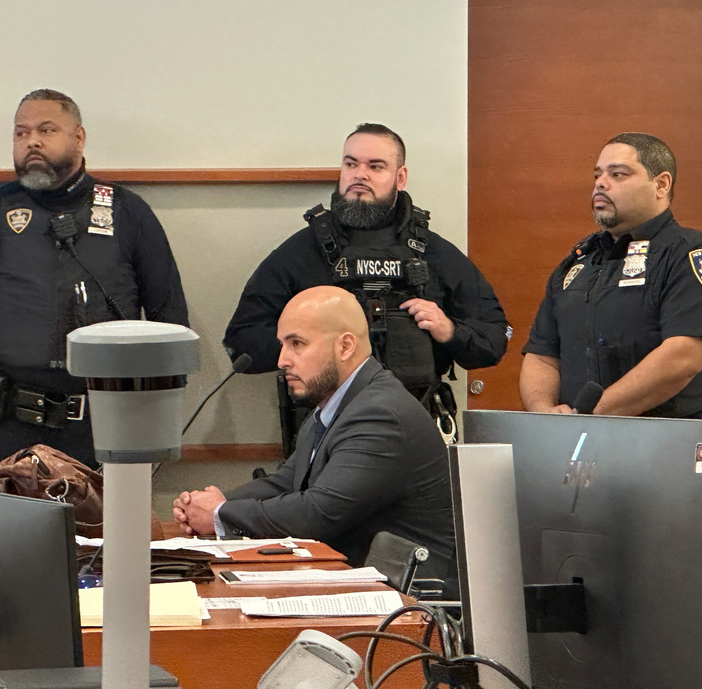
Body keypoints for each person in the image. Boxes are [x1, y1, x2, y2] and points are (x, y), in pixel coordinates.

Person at [223, 123, 508, 440]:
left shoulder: (435, 253)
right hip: (325, 440)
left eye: (375, 166)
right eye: (351, 164)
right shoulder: (301, 253)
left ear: (400, 177)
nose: (360, 174)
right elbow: (241, 343)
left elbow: (494, 340)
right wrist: (307, 345)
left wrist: (449, 331)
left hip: (416, 434)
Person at [174, 286, 457, 589]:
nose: (282, 360)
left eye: (297, 343)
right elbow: (286, 482)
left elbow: (318, 512)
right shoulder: (339, 404)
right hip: (364, 583)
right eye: (282, 344)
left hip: (416, 603)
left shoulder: (380, 414)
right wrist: (210, 504)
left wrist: (220, 513)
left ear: (345, 347)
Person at [1, 89, 188, 468]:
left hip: (104, 423)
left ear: (79, 137)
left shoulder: (127, 212)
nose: (31, 141)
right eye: (21, 133)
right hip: (10, 424)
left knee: (102, 528)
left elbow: (169, 319)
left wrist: (151, 422)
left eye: (46, 129)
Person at [520, 132, 702, 418]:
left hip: (672, 444)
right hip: (579, 440)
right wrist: (544, 413)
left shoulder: (690, 256)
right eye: (598, 174)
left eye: (619, 174)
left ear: (661, 184)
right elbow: (542, 356)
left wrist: (593, 413)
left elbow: (683, 357)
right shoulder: (579, 264)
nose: (600, 183)